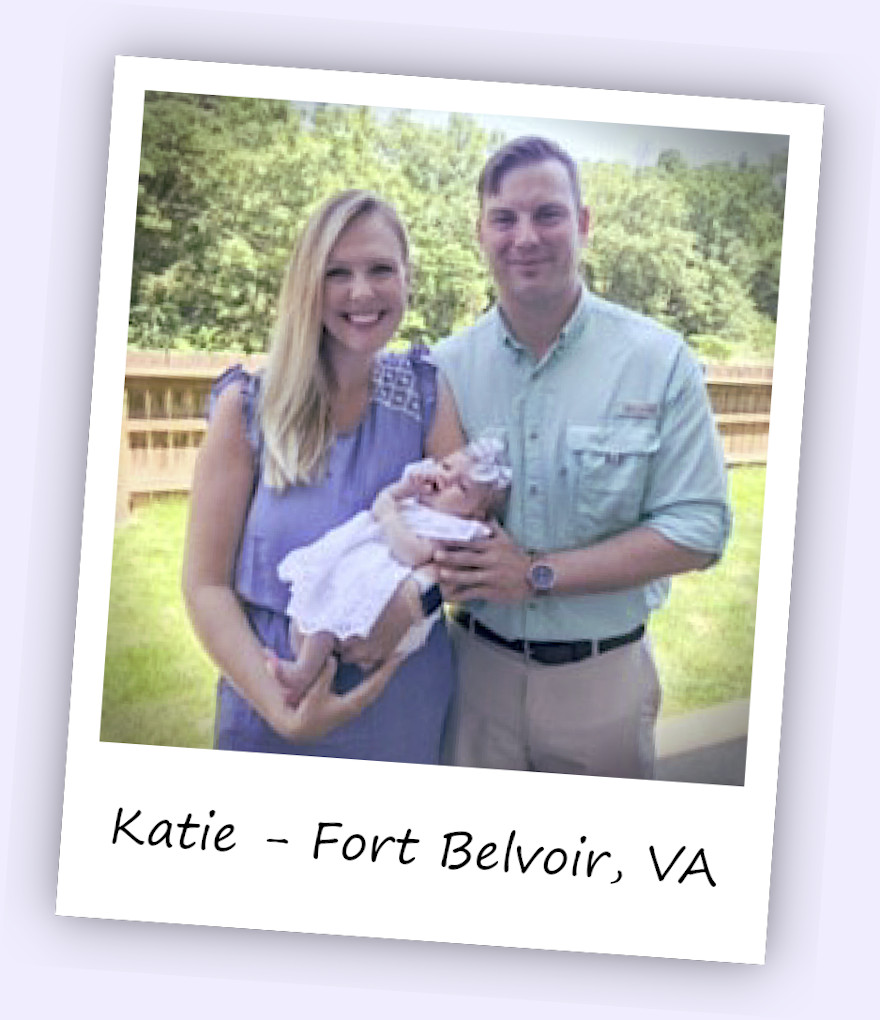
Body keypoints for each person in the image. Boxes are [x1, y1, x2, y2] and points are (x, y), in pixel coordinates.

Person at [431, 136, 731, 778]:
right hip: (473, 678)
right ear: (480, 232)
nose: (525, 237)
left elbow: (700, 529)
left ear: (584, 223)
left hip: (603, 686)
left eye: (548, 214)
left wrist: (537, 574)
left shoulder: (659, 361)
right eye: (504, 218)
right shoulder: (445, 369)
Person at [182, 189, 463, 761]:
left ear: (407, 278)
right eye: (337, 272)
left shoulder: (427, 394)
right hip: (271, 711)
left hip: (403, 711)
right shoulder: (247, 409)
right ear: (307, 283)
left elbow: (466, 538)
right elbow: (205, 585)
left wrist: (414, 603)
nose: (361, 292)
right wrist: (282, 709)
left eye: (380, 269)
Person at [275, 438, 512, 708]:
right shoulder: (416, 494)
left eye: (462, 487)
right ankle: (309, 677)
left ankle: (303, 674)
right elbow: (385, 497)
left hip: (383, 588)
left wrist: (388, 515)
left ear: (476, 514)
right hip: (359, 567)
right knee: (311, 607)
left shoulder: (451, 527)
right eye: (446, 467)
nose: (446, 479)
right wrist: (403, 489)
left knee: (328, 620)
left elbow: (413, 554)